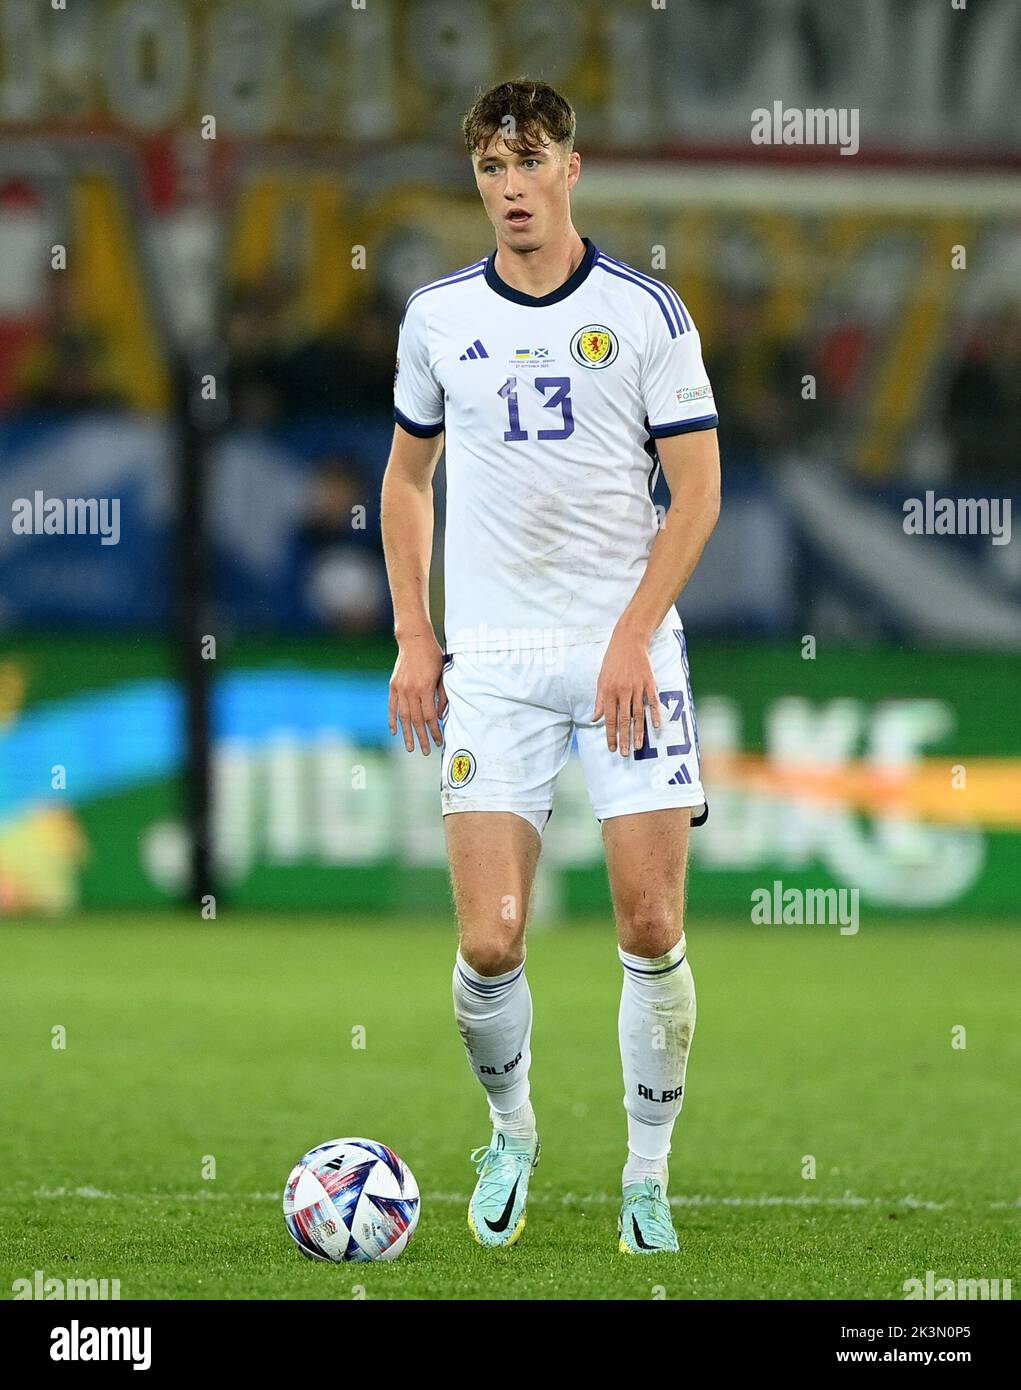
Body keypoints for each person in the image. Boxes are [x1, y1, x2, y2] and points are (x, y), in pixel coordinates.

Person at [380, 78, 720, 1255]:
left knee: (648, 919)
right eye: (490, 170)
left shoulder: (642, 312)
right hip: (494, 661)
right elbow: (406, 480)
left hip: (624, 654)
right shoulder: (435, 318)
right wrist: (414, 635)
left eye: (530, 165)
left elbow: (700, 491)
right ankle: (512, 1130)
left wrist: (633, 634)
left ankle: (646, 1173)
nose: (511, 190)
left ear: (572, 167)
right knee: (489, 941)